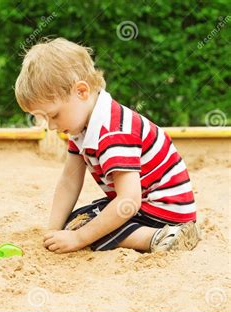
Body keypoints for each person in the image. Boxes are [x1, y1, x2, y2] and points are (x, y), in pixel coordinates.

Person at [14, 38, 200, 254]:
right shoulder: (82, 126)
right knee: (76, 221)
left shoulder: (112, 131)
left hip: (164, 211)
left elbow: (129, 200)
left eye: (54, 115)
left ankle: (160, 237)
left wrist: (78, 239)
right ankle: (156, 234)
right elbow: (69, 181)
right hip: (150, 206)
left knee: (88, 232)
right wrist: (53, 231)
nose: (52, 126)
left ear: (81, 92)